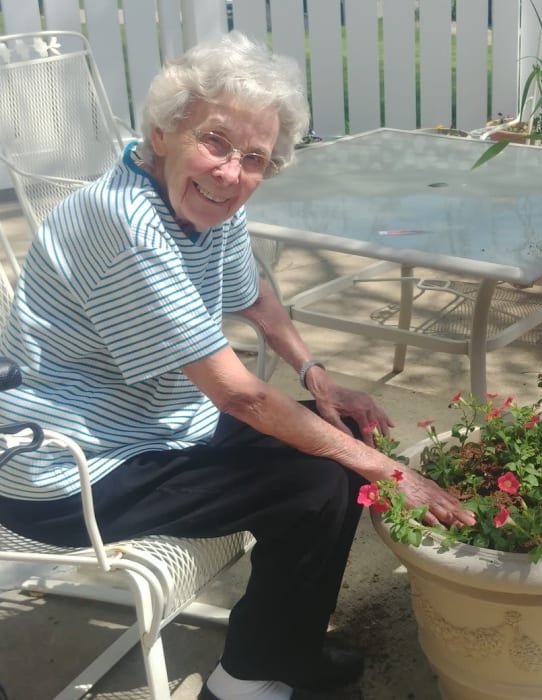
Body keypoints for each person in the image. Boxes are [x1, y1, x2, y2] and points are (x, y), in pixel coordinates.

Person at [0, 32, 473, 700]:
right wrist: (392, 472)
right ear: (164, 131)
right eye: (215, 141)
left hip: (160, 429)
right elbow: (242, 399)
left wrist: (318, 376)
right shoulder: (125, 224)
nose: (230, 171)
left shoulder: (207, 204)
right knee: (315, 483)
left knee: (344, 448)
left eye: (253, 157)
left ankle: (289, 651)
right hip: (72, 471)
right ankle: (244, 680)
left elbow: (253, 296)